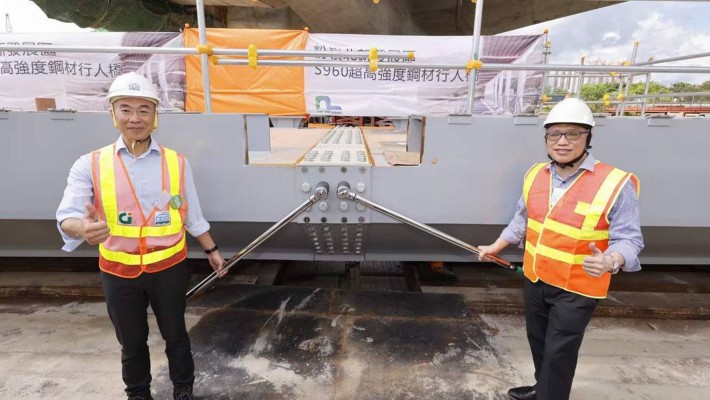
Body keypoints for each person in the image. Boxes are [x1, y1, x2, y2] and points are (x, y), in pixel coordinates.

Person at [56, 72, 226, 400]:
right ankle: (138, 394)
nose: (135, 118)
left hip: (169, 269)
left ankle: (184, 391)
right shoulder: (89, 164)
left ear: (155, 116)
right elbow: (67, 216)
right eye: (126, 109)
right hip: (119, 273)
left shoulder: (176, 163)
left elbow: (190, 214)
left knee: (176, 335)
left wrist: (212, 250)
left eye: (144, 109)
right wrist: (82, 228)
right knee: (132, 344)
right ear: (113, 114)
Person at [478, 97, 644, 400]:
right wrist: (495, 246)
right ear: (546, 139)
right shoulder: (535, 175)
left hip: (577, 287)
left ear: (588, 138)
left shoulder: (616, 183)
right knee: (538, 341)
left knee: (559, 350)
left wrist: (610, 261)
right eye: (554, 134)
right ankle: (544, 387)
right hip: (536, 279)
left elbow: (631, 240)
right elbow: (522, 220)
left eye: (573, 134)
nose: (562, 142)